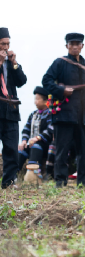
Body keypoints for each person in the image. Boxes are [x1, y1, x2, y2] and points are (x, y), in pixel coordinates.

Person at [43, 33, 85, 188]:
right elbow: (46, 81)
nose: (75, 46)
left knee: (84, 150)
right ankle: (60, 181)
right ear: (67, 46)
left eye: (78, 44)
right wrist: (61, 90)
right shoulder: (59, 63)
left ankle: (83, 181)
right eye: (72, 44)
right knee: (62, 150)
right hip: (64, 114)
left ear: (82, 46)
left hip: (83, 115)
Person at [0, 27, 27, 189]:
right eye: (2, 44)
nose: (5, 47)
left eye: (7, 44)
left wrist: (14, 63)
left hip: (10, 111)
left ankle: (9, 182)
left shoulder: (11, 64)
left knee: (11, 148)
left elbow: (22, 81)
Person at [17, 87, 52, 180]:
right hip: (33, 144)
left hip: (45, 145)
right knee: (21, 149)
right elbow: (26, 129)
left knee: (36, 145)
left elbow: (50, 130)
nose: (35, 102)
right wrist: (24, 141)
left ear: (45, 101)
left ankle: (33, 174)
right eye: (34, 99)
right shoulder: (33, 114)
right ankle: (13, 174)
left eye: (37, 99)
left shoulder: (50, 113)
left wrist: (38, 138)